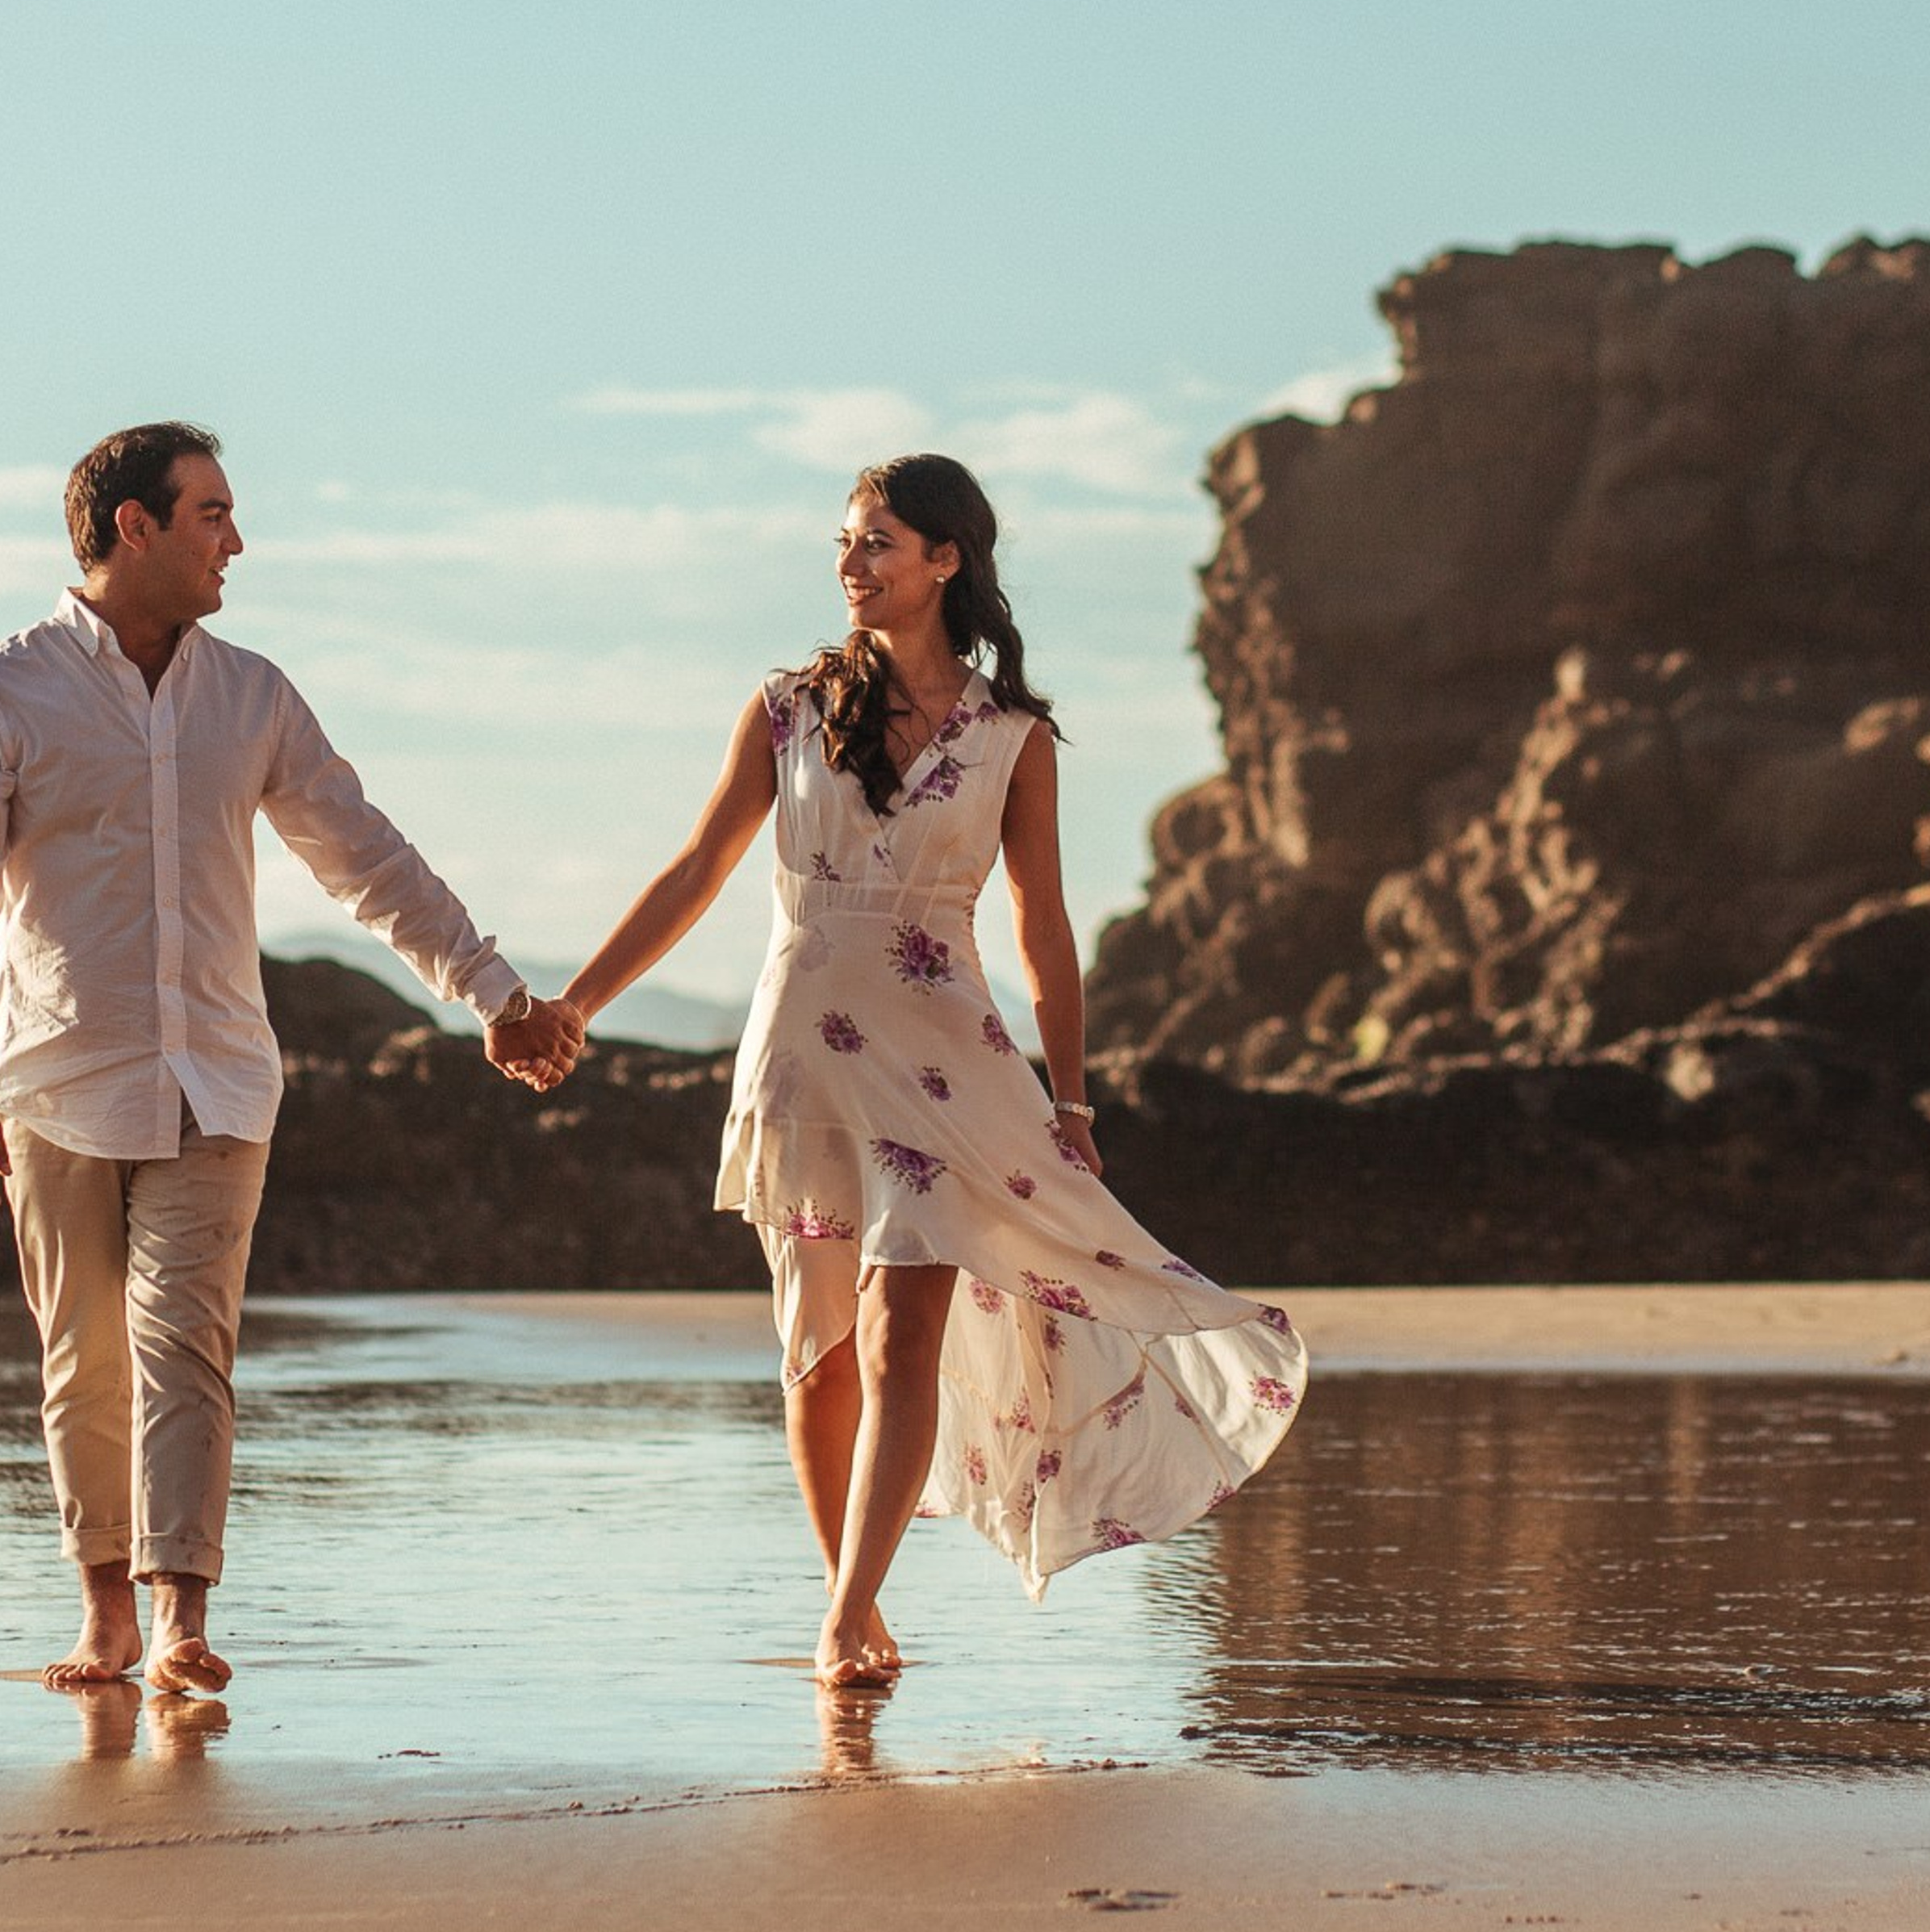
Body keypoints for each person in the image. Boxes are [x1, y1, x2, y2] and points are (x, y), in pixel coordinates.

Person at [554, 452, 1305, 1689]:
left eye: (877, 543)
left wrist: (1070, 1094)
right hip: (803, 1053)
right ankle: (849, 1593)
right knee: (819, 1350)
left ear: (946, 559)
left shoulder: (1014, 737)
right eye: (845, 543)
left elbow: (1043, 927)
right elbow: (696, 874)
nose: (851, 564)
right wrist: (576, 1005)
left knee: (907, 1332)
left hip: (949, 1060)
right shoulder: (787, 705)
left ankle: (849, 1614)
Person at [0, 423, 583, 1698]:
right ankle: (104, 1612)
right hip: (54, 1080)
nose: (237, 542)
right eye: (212, 514)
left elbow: (364, 858)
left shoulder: (252, 695)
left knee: (185, 1341)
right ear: (132, 529)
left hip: (219, 1075)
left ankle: (178, 1620)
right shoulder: (16, 689)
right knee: (84, 1353)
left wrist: (491, 990)